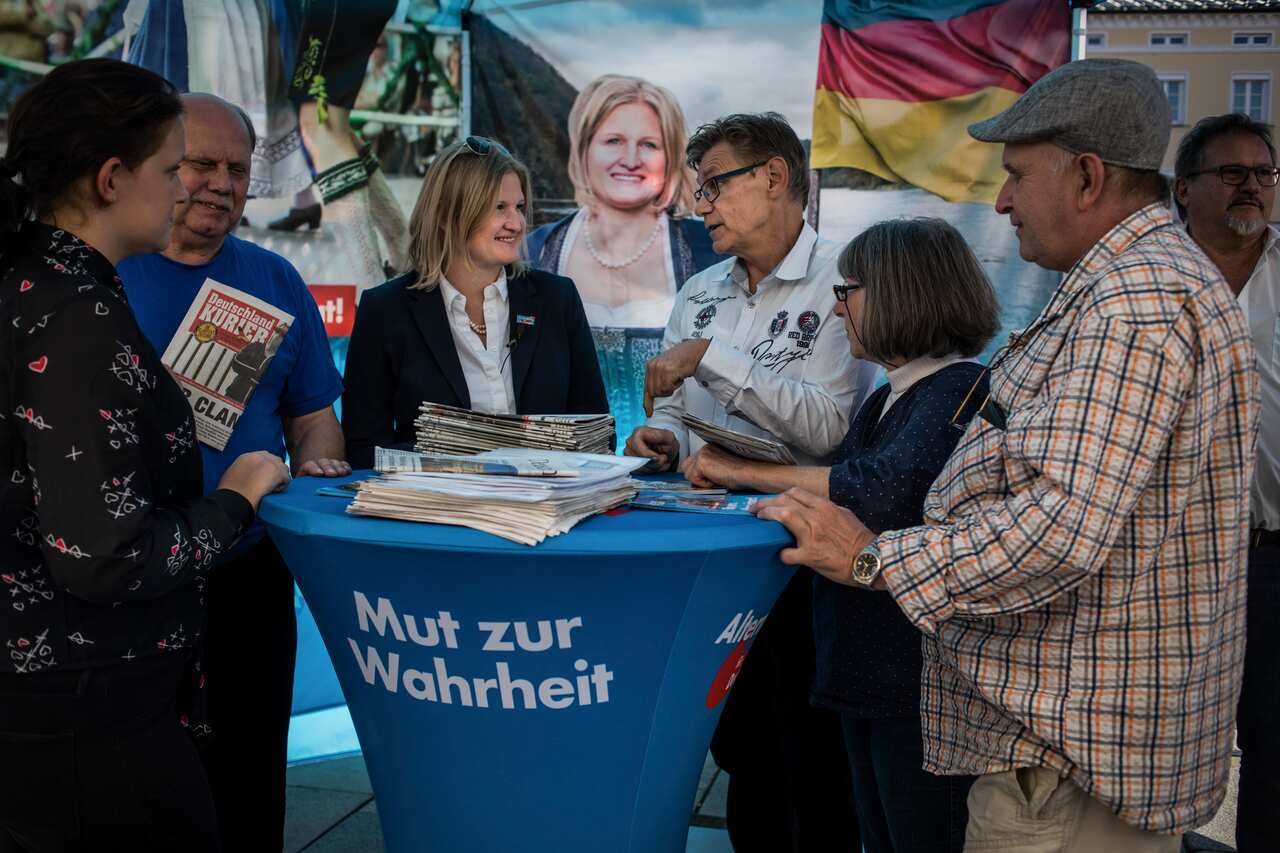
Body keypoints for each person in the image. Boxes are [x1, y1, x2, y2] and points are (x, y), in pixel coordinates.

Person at [754, 59, 1257, 852]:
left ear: (1087, 176)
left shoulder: (1135, 304)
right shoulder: (1128, 288)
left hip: (1064, 765)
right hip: (1064, 749)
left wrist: (873, 560)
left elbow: (1058, 527)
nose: (1001, 201)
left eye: (1018, 175)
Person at [0, 58, 289, 851]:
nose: (190, 190)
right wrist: (237, 497)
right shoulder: (74, 314)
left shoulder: (39, 284)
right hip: (88, 704)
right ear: (110, 179)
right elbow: (107, 556)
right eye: (175, 168)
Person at [684, 217, 998, 852]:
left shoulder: (957, 389)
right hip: (866, 676)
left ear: (899, 293)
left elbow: (881, 487)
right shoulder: (890, 396)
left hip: (911, 692)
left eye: (847, 289)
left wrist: (743, 470)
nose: (836, 305)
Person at [625, 111, 877, 851]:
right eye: (697, 191)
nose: (700, 206)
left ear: (774, 176)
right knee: (737, 748)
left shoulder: (846, 280)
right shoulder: (700, 289)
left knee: (806, 754)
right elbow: (670, 406)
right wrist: (660, 436)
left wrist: (713, 358)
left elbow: (829, 426)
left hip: (806, 555)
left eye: (713, 187)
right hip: (709, 552)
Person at [118, 92, 349, 850]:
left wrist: (317, 454)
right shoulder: (103, 277)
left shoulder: (276, 280)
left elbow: (312, 413)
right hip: (135, 566)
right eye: (200, 165)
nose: (220, 183)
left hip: (247, 567)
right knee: (145, 778)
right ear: (160, 166)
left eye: (238, 170)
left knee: (250, 772)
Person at [342, 136, 608, 469]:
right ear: (446, 215)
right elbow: (365, 448)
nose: (516, 223)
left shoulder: (557, 299)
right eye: (499, 208)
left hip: (545, 510)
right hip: (433, 512)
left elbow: (596, 434)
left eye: (520, 208)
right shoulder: (385, 310)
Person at [1173, 113, 1279, 853]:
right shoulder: (1153, 278)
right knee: (1163, 738)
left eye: (1265, 173)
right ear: (1184, 189)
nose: (1253, 186)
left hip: (1272, 556)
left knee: (1273, 742)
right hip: (1173, 559)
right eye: (1233, 172)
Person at [527, 74, 725, 441]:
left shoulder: (710, 253)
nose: (630, 159)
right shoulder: (535, 252)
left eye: (649, 144)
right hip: (559, 479)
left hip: (678, 479)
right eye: (613, 141)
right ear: (584, 148)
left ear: (670, 157)